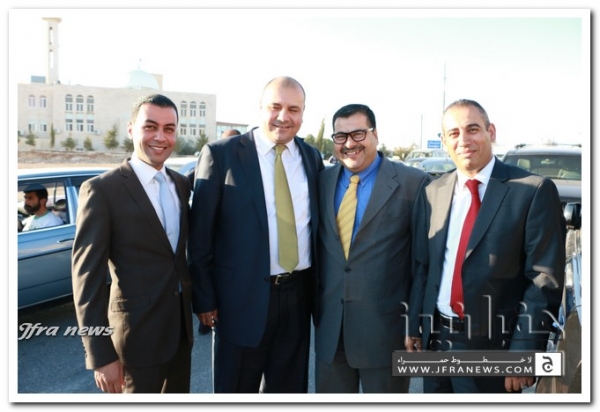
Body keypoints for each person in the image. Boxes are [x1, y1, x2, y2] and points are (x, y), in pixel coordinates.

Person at [405, 99, 565, 393]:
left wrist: (524, 354)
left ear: (491, 132)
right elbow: (423, 265)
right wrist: (415, 324)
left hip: (495, 345)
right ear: (444, 141)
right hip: (437, 338)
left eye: (473, 129)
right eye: (453, 133)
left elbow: (544, 280)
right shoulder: (433, 192)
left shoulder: (533, 191)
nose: (463, 140)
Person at [188, 76, 324, 393]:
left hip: (297, 297)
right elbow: (200, 236)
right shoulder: (221, 155)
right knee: (236, 390)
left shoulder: (311, 157)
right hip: (239, 300)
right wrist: (204, 299)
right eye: (275, 106)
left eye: (294, 109)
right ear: (260, 108)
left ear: (303, 113)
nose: (283, 117)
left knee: (288, 391)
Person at [71, 94, 193, 393]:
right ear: (131, 129)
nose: (160, 137)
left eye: (169, 129)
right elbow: (86, 279)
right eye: (150, 126)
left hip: (180, 336)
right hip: (133, 343)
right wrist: (100, 355)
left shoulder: (180, 184)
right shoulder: (102, 190)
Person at [314, 104, 430, 393]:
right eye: (341, 136)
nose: (349, 143)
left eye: (358, 133)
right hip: (331, 333)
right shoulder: (321, 182)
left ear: (375, 134)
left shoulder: (413, 184)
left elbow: (422, 263)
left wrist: (415, 323)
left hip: (387, 335)